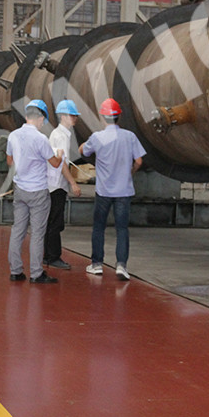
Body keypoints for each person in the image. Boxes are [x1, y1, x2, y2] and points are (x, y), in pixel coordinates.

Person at [78, 98, 146, 281]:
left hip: (104, 191)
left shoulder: (97, 137)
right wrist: (130, 173)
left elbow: (83, 151)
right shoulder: (130, 136)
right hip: (124, 191)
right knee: (122, 229)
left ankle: (97, 264)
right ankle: (121, 265)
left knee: (99, 227)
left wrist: (84, 145)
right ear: (119, 117)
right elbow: (139, 161)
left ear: (102, 117)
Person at [6, 99, 63, 284]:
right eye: (43, 120)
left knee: (18, 230)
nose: (42, 124)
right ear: (40, 118)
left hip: (20, 189)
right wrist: (60, 155)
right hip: (38, 192)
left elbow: (9, 161)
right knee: (37, 234)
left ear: (26, 116)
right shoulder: (41, 139)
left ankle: (15, 271)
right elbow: (55, 163)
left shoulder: (13, 136)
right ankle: (36, 273)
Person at [45, 99, 82, 269]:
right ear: (63, 116)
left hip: (54, 185)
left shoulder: (61, 134)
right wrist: (73, 183)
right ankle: (53, 257)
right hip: (56, 186)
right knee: (55, 222)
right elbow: (62, 164)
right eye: (72, 115)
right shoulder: (60, 136)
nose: (75, 118)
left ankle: (48, 255)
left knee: (52, 221)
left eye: (75, 115)